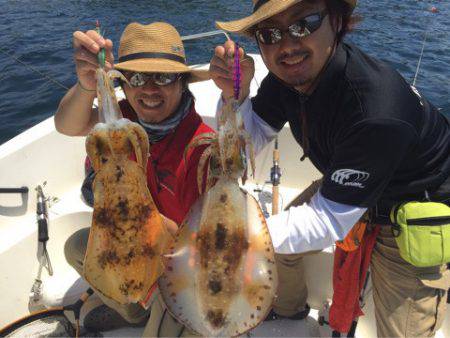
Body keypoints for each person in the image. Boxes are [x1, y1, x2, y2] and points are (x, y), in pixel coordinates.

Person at [209, 0, 450, 337]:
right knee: (283, 251)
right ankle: (288, 311)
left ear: (337, 21)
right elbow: (247, 145)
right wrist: (236, 96)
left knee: (403, 332)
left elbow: (326, 220)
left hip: (410, 203)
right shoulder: (287, 78)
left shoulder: (376, 109)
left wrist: (230, 236)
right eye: (270, 33)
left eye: (303, 24)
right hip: (349, 176)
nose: (288, 45)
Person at [54, 22, 213, 334]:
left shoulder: (202, 147)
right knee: (77, 247)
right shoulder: (119, 125)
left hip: (179, 268)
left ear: (182, 83)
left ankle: (155, 313)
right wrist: (88, 85)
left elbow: (206, 245)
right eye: (137, 78)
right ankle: (134, 313)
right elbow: (67, 125)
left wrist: (152, 228)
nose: (149, 89)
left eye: (164, 77)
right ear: (123, 85)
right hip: (129, 244)